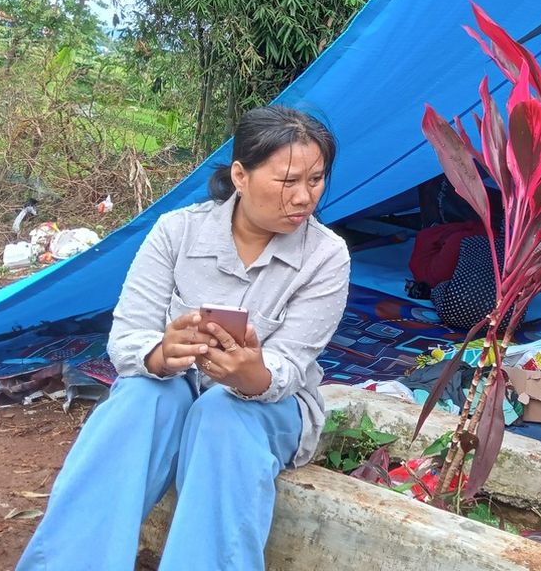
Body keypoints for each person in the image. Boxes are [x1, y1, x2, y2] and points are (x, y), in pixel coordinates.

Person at [18, 105, 350, 571]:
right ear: (240, 175)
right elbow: (128, 335)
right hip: (175, 388)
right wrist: (160, 354)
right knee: (142, 398)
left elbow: (290, 366)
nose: (303, 197)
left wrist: (253, 373)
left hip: (269, 407)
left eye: (315, 180)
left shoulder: (326, 256)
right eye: (288, 181)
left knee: (223, 415)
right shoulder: (177, 232)